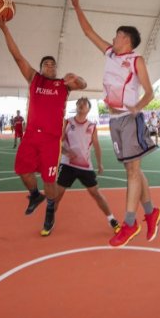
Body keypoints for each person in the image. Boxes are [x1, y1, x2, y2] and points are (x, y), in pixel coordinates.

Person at [72, 0, 160, 248]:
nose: (113, 37)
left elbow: (150, 92)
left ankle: (130, 223)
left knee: (132, 170)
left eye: (118, 35)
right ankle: (151, 212)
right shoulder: (110, 53)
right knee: (132, 168)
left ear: (127, 40)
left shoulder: (137, 60)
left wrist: (138, 106)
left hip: (129, 118)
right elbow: (89, 32)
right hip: (113, 119)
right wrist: (77, 6)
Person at [0, 14, 86, 236]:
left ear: (56, 69)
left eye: (53, 64)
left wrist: (78, 78)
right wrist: (4, 29)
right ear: (41, 68)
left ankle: (50, 212)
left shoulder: (64, 85)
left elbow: (83, 84)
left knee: (49, 180)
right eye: (46, 64)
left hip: (51, 140)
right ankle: (35, 196)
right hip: (31, 137)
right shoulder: (34, 79)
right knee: (22, 171)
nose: (50, 66)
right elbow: (16, 56)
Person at [55, 97, 121, 234]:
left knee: (96, 194)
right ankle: (49, 220)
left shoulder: (92, 126)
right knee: (58, 195)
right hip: (67, 164)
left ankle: (112, 219)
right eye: (79, 102)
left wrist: (100, 163)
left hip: (85, 166)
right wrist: (66, 151)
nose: (81, 104)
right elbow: (58, 141)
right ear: (77, 106)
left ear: (88, 109)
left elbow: (96, 145)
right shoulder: (67, 122)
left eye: (84, 103)